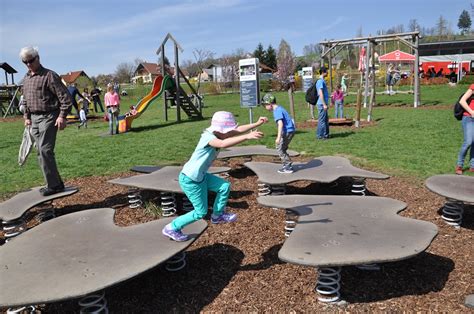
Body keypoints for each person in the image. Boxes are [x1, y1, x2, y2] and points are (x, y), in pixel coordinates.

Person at [162, 111, 268, 241]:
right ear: (219, 130)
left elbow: (237, 129)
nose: (229, 133)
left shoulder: (218, 134)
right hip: (191, 179)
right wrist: (247, 137)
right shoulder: (209, 138)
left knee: (224, 186)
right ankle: (172, 227)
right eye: (227, 130)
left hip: (200, 176)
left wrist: (257, 123)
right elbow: (223, 144)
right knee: (200, 212)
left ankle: (217, 216)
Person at [19, 46, 73, 196]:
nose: (28, 64)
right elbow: (25, 100)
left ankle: (54, 185)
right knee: (40, 152)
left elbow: (65, 98)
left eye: (30, 60)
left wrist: (62, 116)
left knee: (45, 150)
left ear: (37, 58)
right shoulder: (26, 78)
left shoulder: (49, 76)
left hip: (49, 116)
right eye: (25, 62)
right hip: (34, 119)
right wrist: (26, 117)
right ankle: (55, 183)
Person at [262, 93, 296, 174]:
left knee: (279, 148)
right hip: (290, 130)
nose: (265, 107)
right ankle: (287, 164)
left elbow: (280, 124)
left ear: (269, 104)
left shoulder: (276, 111)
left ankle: (287, 166)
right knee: (282, 148)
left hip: (287, 131)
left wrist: (278, 137)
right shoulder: (280, 108)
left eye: (265, 105)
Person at [455, 84, 474, 175]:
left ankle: (472, 166)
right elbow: (462, 101)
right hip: (469, 118)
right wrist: (471, 112)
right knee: (468, 142)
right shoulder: (473, 86)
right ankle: (459, 165)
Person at [316, 67, 329, 140]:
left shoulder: (322, 81)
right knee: (322, 120)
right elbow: (320, 93)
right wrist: (324, 104)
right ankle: (321, 136)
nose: (327, 73)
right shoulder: (320, 81)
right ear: (323, 72)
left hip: (323, 103)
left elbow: (323, 93)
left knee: (325, 120)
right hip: (321, 104)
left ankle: (325, 135)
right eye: (326, 72)